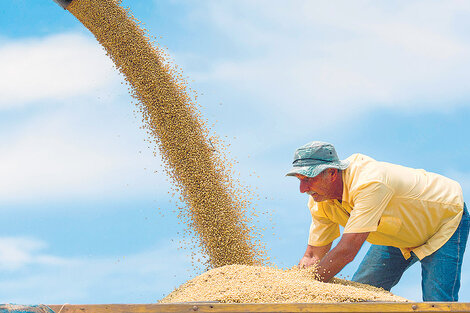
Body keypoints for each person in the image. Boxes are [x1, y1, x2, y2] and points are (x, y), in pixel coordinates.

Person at [286, 141, 469, 301]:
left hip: (443, 220)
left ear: (332, 173)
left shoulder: (369, 182)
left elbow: (347, 251)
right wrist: (298, 281)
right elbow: (313, 256)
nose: (303, 189)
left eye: (308, 179)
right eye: (300, 180)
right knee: (361, 294)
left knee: (436, 302)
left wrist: (307, 287)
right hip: (397, 233)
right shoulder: (320, 200)